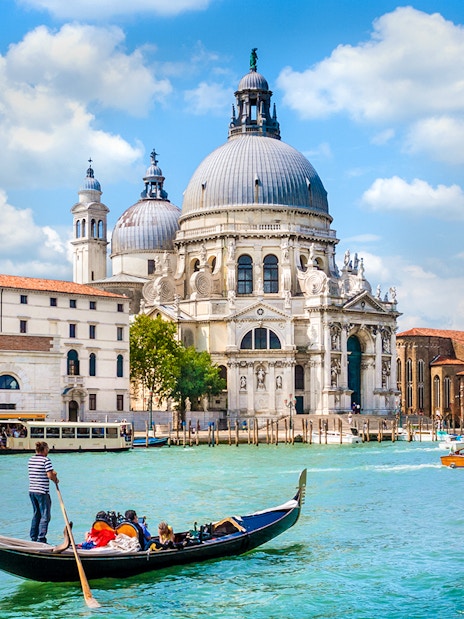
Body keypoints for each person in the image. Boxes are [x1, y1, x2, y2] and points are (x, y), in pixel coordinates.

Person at [28, 441, 58, 543]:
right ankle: (41, 538)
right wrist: (55, 479)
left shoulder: (31, 459)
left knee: (36, 514)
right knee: (45, 515)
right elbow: (49, 475)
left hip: (32, 491)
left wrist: (52, 474)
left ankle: (33, 537)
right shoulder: (46, 460)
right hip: (42, 491)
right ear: (44, 449)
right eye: (47, 449)